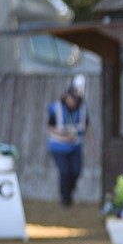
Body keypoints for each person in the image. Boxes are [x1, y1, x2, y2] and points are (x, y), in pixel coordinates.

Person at [47, 78, 90, 207]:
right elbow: (50, 127)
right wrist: (64, 136)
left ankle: (68, 193)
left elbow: (88, 126)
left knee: (76, 171)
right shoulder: (56, 108)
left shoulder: (82, 108)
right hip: (58, 146)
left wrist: (91, 144)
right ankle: (65, 199)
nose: (73, 101)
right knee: (65, 172)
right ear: (66, 97)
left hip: (75, 146)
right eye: (71, 98)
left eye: (75, 99)